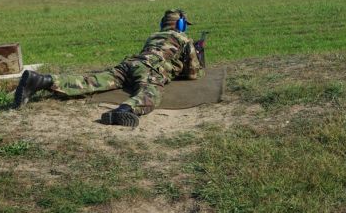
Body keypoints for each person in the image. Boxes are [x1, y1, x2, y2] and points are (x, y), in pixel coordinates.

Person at [14, 9, 206, 127]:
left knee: (92, 81)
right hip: (150, 69)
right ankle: (125, 110)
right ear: (181, 25)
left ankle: (41, 80)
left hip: (130, 64)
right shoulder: (183, 39)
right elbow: (193, 73)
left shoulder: (154, 36)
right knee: (150, 93)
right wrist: (198, 53)